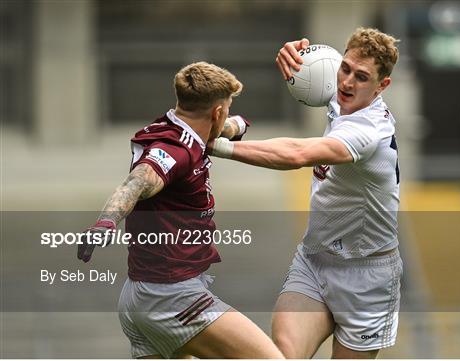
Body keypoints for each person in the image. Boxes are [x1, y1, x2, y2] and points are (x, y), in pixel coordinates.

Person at [210, 28, 403, 359]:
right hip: (314, 261)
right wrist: (300, 56)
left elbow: (297, 154)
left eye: (361, 76)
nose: (347, 82)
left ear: (381, 86)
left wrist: (216, 146)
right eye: (345, 68)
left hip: (367, 277)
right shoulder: (342, 91)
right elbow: (317, 73)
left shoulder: (369, 131)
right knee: (281, 356)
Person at [77, 61, 284, 359]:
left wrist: (237, 124)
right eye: (224, 109)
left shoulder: (178, 125)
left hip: (139, 297)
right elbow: (137, 182)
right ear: (216, 111)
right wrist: (106, 222)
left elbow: (222, 128)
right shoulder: (175, 150)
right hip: (171, 296)